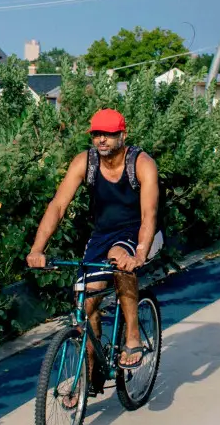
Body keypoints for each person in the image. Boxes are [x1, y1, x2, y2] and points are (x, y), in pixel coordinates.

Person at [27, 108, 161, 395]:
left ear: (123, 135)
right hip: (102, 235)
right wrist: (38, 249)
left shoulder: (141, 164)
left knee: (119, 260)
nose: (102, 140)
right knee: (85, 304)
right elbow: (58, 205)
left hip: (136, 233)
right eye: (97, 134)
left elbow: (149, 216)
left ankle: (133, 336)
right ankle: (88, 374)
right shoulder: (84, 163)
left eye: (109, 134)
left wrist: (138, 254)